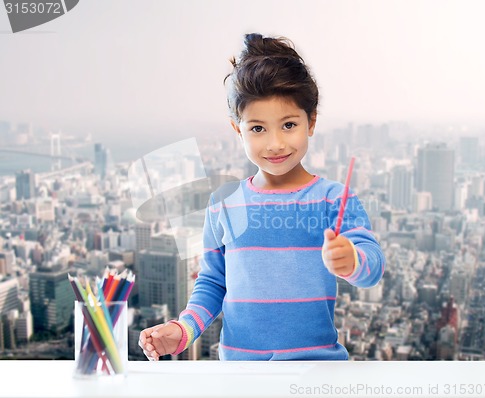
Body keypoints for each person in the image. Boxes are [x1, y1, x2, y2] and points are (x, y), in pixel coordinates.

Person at [139, 33, 385, 361]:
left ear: (311, 122)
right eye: (257, 128)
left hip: (316, 371)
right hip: (240, 375)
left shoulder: (333, 199)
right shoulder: (223, 203)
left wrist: (352, 260)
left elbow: (373, 266)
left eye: (288, 125)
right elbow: (213, 283)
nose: (275, 144)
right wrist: (183, 330)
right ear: (236, 128)